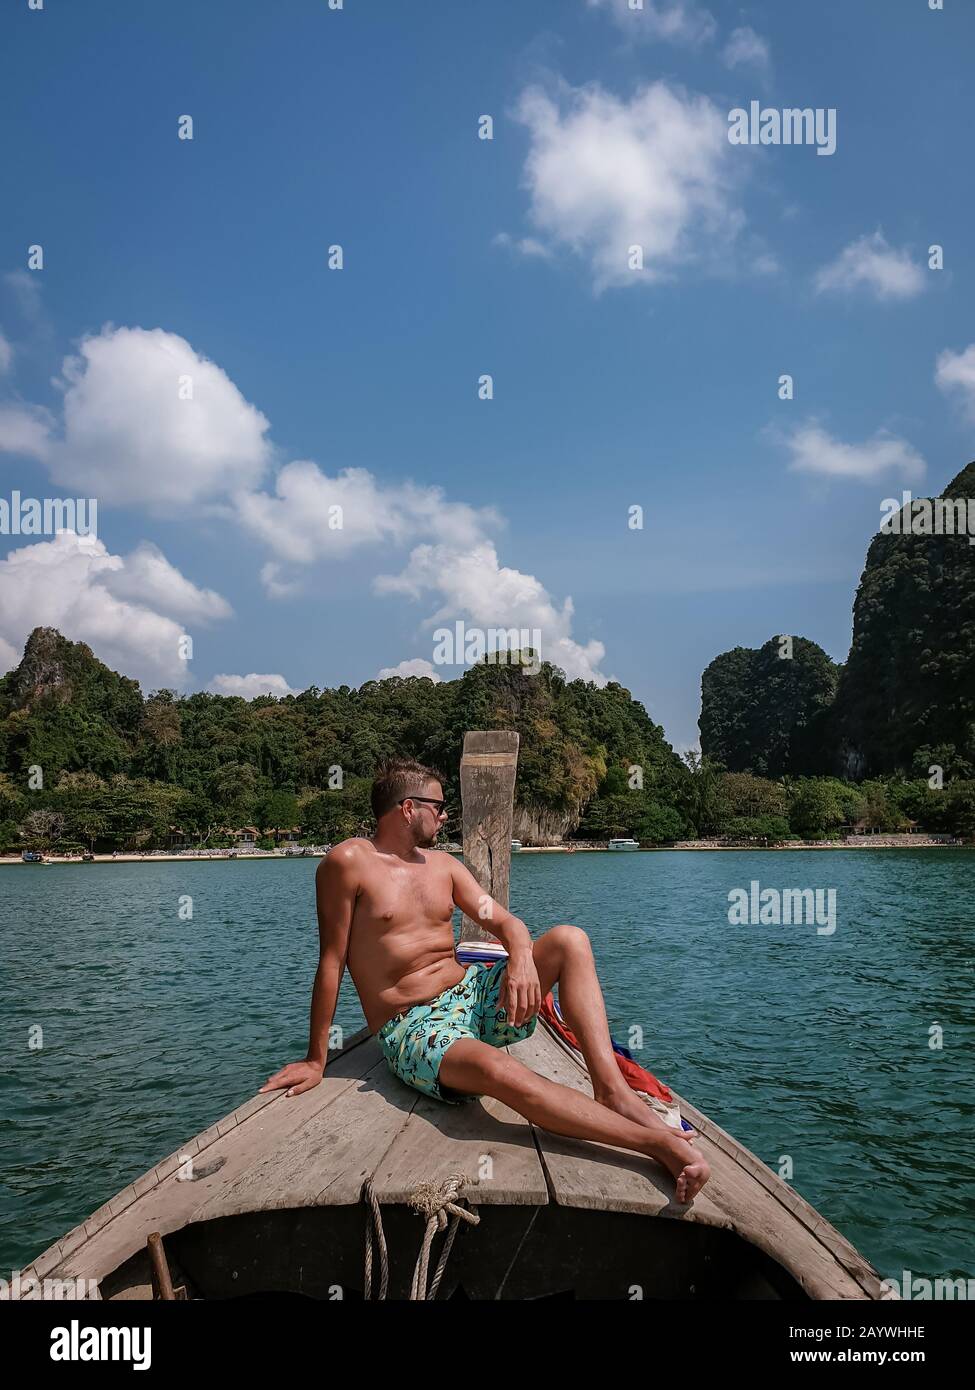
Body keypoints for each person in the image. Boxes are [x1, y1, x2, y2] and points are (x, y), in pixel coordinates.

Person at [261, 757, 709, 1202]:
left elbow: (506, 922)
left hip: (473, 994)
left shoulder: (445, 867)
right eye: (438, 806)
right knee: (499, 1069)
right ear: (407, 808)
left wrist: (520, 958)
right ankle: (654, 1144)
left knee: (570, 940)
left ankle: (611, 1090)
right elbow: (331, 963)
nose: (444, 815)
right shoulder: (348, 862)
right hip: (414, 1023)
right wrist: (316, 1060)